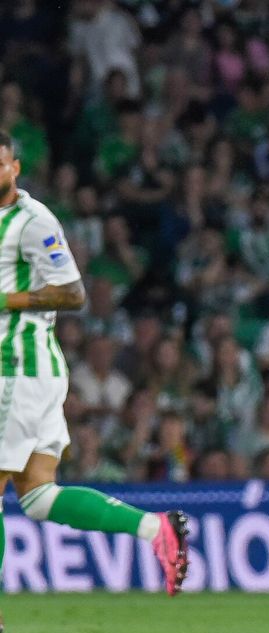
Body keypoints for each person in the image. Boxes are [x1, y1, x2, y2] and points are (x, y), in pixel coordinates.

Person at [0, 130, 188, 597]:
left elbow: (73, 292)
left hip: (18, 369)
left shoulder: (33, 220)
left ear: (15, 167)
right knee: (39, 497)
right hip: (29, 372)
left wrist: (6, 298)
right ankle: (154, 530)